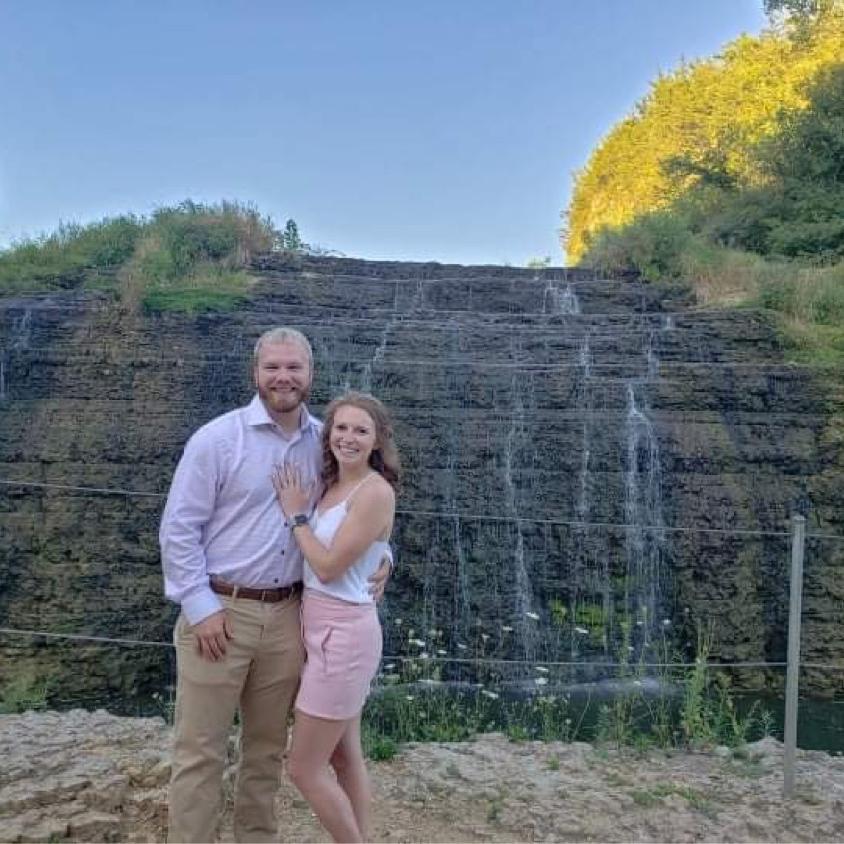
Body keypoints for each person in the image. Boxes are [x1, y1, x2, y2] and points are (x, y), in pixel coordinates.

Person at [160, 327, 390, 843]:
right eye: (273, 368)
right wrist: (200, 606)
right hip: (221, 612)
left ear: (310, 374)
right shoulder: (218, 440)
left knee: (265, 753)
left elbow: (355, 510)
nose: (283, 377)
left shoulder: (325, 443)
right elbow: (178, 528)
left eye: (294, 368)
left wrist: (384, 557)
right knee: (200, 752)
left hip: (292, 616)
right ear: (255, 373)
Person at [272, 391, 398, 844]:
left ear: (378, 440)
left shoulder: (374, 491)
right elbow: (372, 548)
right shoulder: (332, 484)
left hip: (344, 637)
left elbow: (327, 567)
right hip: (320, 627)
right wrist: (387, 558)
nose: (348, 437)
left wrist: (295, 516)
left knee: (303, 768)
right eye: (340, 428)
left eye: (361, 430)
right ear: (328, 435)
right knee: (345, 758)